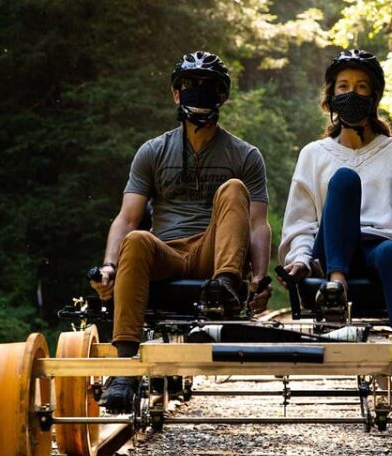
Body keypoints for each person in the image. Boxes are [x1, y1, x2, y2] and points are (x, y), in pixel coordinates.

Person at [91, 50, 272, 413]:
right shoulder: (152, 152)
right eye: (190, 84)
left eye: (208, 85)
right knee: (137, 239)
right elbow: (127, 218)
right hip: (166, 252)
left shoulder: (245, 155)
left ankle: (224, 286)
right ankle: (125, 367)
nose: (198, 91)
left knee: (234, 188)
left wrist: (259, 279)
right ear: (176, 94)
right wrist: (109, 266)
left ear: (222, 96)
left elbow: (257, 224)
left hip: (215, 255)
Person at [278, 49, 392, 416]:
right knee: (343, 179)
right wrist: (300, 259)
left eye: (361, 87)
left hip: (385, 249)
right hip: (334, 252)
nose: (351, 94)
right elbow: (302, 222)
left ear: (374, 97)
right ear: (331, 97)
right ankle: (336, 285)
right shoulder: (314, 154)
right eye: (343, 87)